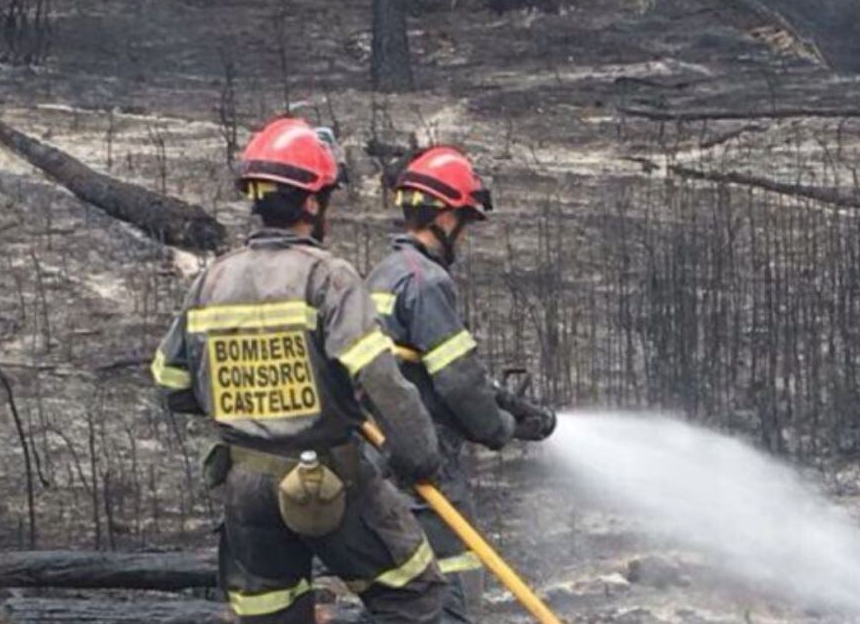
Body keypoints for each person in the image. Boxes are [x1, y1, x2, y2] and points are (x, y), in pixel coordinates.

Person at [151, 117, 446, 623]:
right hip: (329, 476)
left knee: (270, 615)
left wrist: (241, 398)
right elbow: (378, 377)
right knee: (412, 596)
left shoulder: (212, 280)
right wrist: (418, 455)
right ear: (312, 201)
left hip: (245, 486)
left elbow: (170, 383)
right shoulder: (327, 277)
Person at [366, 146, 556, 622]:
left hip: (380, 457)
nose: (464, 235)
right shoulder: (425, 281)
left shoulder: (382, 275)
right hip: (427, 464)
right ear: (447, 216)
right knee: (452, 579)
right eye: (465, 222)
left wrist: (504, 403)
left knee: (397, 587)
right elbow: (455, 381)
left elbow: (430, 367)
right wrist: (500, 427)